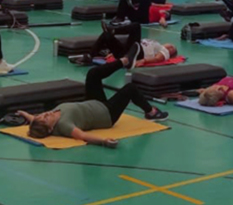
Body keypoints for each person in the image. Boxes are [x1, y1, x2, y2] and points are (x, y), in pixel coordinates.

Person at [19, 44, 168, 147]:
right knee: (130, 89)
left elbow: (34, 120)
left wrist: (24, 114)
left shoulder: (47, 119)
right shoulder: (64, 125)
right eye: (45, 118)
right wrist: (103, 141)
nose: (46, 114)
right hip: (106, 113)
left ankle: (124, 61)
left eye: (42, 115)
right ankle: (151, 112)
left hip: (93, 102)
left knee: (92, 74)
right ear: (51, 129)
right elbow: (82, 136)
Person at [70, 21, 178, 68]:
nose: (170, 45)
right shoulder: (156, 43)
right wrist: (112, 53)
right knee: (106, 35)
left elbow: (158, 59)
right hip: (127, 51)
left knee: (136, 26)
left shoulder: (164, 51)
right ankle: (90, 56)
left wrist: (144, 61)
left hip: (137, 53)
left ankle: (114, 30)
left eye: (172, 47)